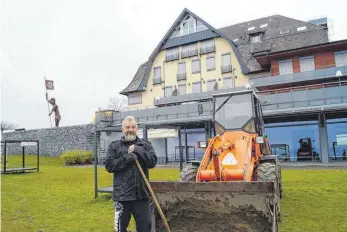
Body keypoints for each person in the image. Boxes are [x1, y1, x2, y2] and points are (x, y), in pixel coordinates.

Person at [105, 116, 158, 232]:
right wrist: (129, 158)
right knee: (120, 229)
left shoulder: (145, 145)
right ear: (122, 129)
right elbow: (109, 166)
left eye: (133, 127)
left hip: (142, 196)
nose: (130, 129)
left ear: (136, 129)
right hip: (122, 197)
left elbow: (153, 162)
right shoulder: (114, 146)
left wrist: (139, 150)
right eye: (127, 127)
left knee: (145, 228)